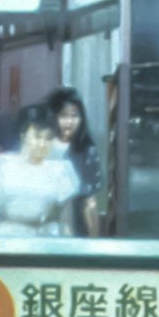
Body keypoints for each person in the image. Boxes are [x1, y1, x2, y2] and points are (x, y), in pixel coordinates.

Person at [0, 105, 87, 236]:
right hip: (4, 241)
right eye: (38, 136)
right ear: (23, 136)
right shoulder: (1, 165)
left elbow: (66, 223)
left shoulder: (60, 171)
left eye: (49, 138)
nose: (42, 144)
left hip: (45, 242)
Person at [42, 87, 105, 236]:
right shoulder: (42, 145)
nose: (69, 122)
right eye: (63, 115)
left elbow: (90, 202)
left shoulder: (86, 151)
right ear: (54, 116)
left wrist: (94, 240)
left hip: (75, 227)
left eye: (75, 115)